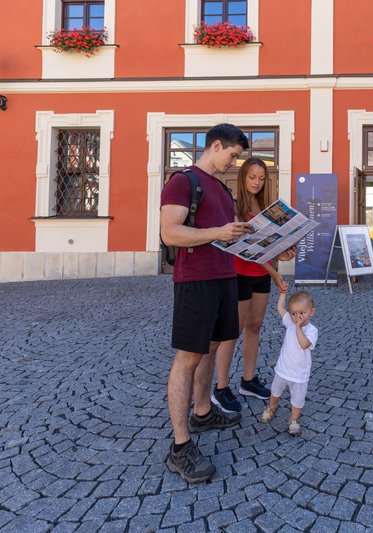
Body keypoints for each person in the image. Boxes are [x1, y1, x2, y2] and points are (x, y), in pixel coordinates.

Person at [160, 123, 254, 483]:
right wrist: (218, 232)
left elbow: (225, 236)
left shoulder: (220, 188)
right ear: (217, 146)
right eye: (232, 155)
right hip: (195, 281)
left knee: (212, 348)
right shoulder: (183, 181)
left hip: (223, 278)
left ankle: (202, 412)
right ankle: (180, 447)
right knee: (187, 358)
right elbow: (170, 232)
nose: (234, 163)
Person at [212, 158, 291, 413]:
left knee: (254, 327)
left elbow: (266, 248)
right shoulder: (234, 206)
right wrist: (276, 274)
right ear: (243, 177)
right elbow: (246, 250)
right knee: (231, 331)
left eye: (261, 178)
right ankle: (221, 387)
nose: (257, 182)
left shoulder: (266, 208)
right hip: (239, 273)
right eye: (252, 177)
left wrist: (282, 254)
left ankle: (248, 381)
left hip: (260, 274)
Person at [261, 289, 318, 436]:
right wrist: (282, 293)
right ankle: (272, 407)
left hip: (299, 375)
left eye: (302, 313)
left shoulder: (312, 330)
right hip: (283, 370)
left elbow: (304, 344)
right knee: (275, 391)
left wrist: (298, 327)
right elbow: (280, 308)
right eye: (293, 313)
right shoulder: (290, 322)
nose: (297, 317)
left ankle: (293, 420)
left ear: (311, 312)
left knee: (297, 400)